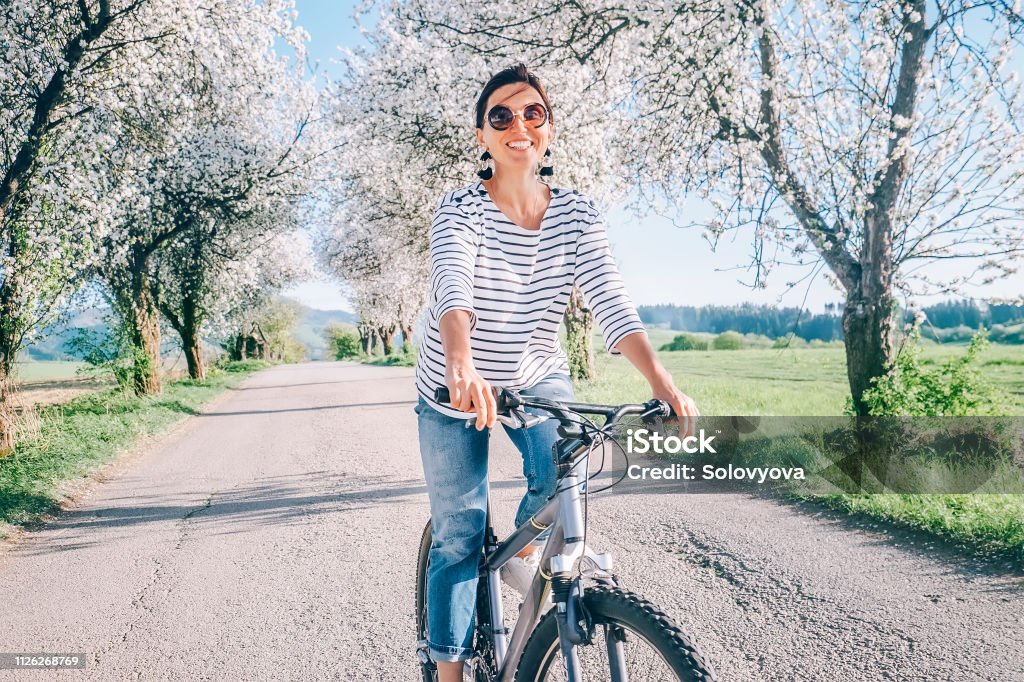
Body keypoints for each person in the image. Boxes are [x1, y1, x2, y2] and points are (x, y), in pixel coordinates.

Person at [414, 63, 699, 681]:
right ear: (482, 137)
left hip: (535, 372)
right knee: (459, 535)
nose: (519, 124)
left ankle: (519, 562)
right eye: (502, 116)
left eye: (533, 113)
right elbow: (452, 286)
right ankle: (450, 671)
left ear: (548, 130)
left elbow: (611, 300)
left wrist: (661, 381)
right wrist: (460, 362)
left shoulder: (577, 215)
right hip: (453, 384)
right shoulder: (459, 210)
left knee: (560, 486)